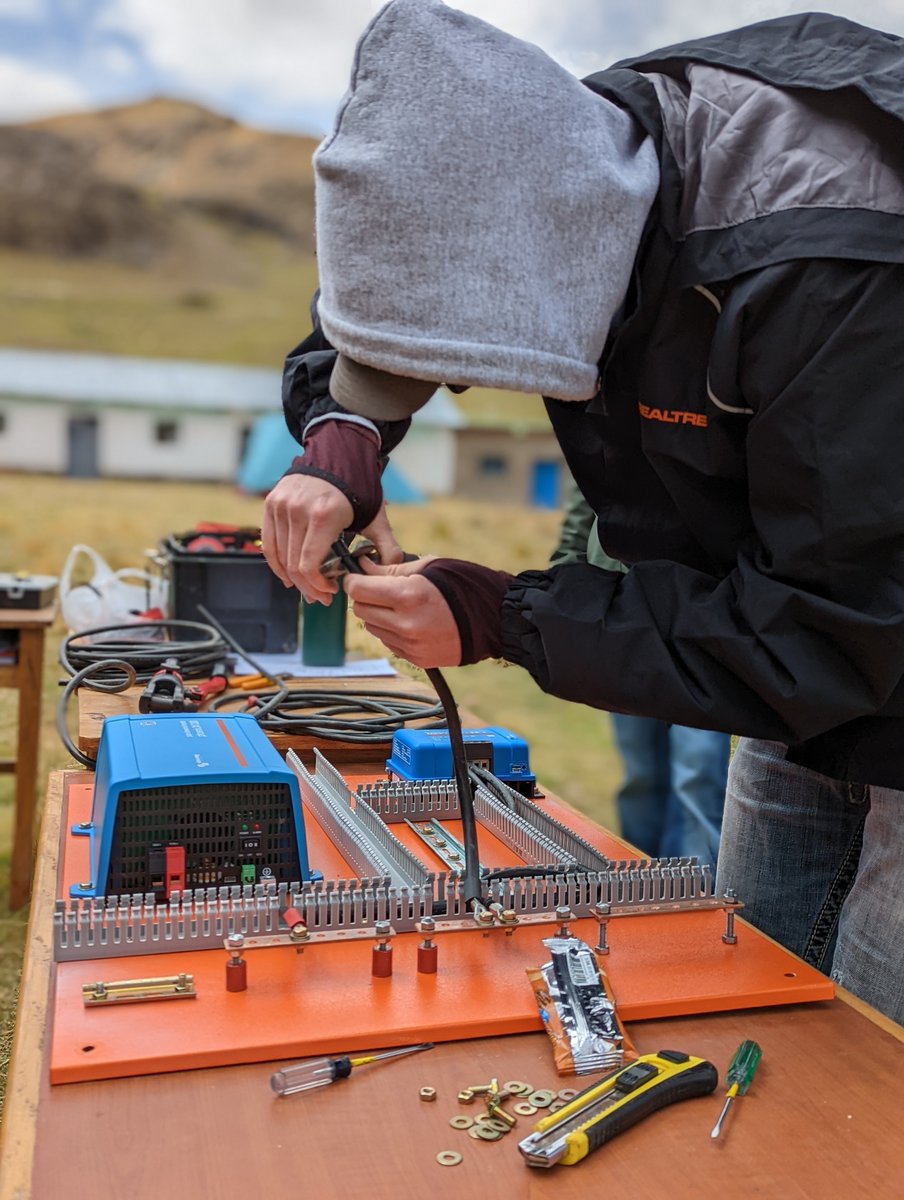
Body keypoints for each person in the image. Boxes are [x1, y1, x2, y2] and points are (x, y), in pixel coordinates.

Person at [262, 0, 904, 1024]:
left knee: (874, 1070)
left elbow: (836, 634)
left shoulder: (829, 272)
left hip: (851, 626)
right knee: (753, 997)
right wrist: (344, 435)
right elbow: (399, 277)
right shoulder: (565, 152)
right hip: (800, 630)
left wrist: (506, 615)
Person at [553, 480, 731, 865]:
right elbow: (587, 495)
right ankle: (639, 877)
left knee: (699, 773)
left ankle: (696, 893)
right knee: (642, 772)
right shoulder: (600, 422)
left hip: (704, 614)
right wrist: (566, 582)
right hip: (621, 606)